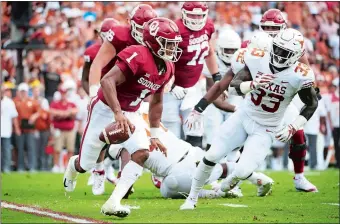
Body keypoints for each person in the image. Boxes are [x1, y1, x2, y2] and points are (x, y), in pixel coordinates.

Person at [181, 28, 318, 210]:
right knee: (212, 155)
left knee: (243, 170)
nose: (278, 55)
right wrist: (252, 84)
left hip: (266, 128)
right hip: (243, 116)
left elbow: (312, 104)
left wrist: (293, 126)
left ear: (296, 55)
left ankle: (233, 180)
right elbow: (234, 87)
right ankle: (191, 198)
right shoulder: (256, 58)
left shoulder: (300, 74)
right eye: (276, 49)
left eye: (285, 52)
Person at [63, 17, 182, 218]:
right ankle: (73, 167)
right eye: (168, 44)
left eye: (174, 44)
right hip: (105, 107)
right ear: (154, 42)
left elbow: (156, 101)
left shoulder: (168, 67)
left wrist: (154, 134)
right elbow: (107, 80)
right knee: (86, 165)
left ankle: (113, 202)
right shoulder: (138, 54)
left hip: (132, 112)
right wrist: (117, 113)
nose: (172, 49)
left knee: (142, 153)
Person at [81, 4, 157, 195]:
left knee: (133, 138)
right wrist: (92, 92)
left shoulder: (156, 42)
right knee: (99, 139)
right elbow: (97, 65)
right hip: (108, 91)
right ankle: (96, 169)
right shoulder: (119, 36)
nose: (143, 33)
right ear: (131, 24)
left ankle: (125, 179)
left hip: (133, 97)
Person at [161, 2, 220, 148]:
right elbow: (162, 61)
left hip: (192, 87)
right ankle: (168, 169)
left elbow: (209, 51)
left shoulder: (208, 26)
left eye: (200, 15)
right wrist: (171, 85)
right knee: (170, 132)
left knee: (196, 131)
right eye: (193, 15)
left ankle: (193, 169)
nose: (196, 19)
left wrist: (217, 76)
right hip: (170, 89)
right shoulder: (174, 29)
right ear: (183, 13)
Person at [50, 84, 78, 172]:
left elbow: (75, 111)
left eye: (64, 93)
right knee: (57, 149)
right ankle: (56, 166)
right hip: (59, 129)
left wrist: (61, 114)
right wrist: (66, 113)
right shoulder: (55, 103)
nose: (63, 95)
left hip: (69, 129)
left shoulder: (71, 103)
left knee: (70, 149)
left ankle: (68, 166)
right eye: (62, 93)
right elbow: (52, 112)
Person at [13, 83, 40, 172]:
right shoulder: (15, 101)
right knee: (20, 149)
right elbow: (14, 116)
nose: (23, 93)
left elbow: (39, 111)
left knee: (30, 148)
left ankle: (32, 166)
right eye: (22, 91)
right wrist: (16, 128)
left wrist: (34, 116)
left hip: (30, 129)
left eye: (25, 91)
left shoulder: (32, 101)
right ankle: (20, 167)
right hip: (20, 129)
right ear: (19, 92)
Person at [1, 85, 20, 173]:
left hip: (5, 130)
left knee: (6, 150)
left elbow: (14, 116)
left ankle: (6, 168)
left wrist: (16, 128)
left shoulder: (9, 102)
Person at [32, 85, 50, 171]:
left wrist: (37, 113)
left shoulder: (44, 101)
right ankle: (36, 166)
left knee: (44, 148)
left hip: (44, 128)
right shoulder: (31, 101)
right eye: (35, 91)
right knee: (35, 148)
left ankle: (44, 166)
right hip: (34, 129)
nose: (36, 93)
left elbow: (45, 115)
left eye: (37, 91)